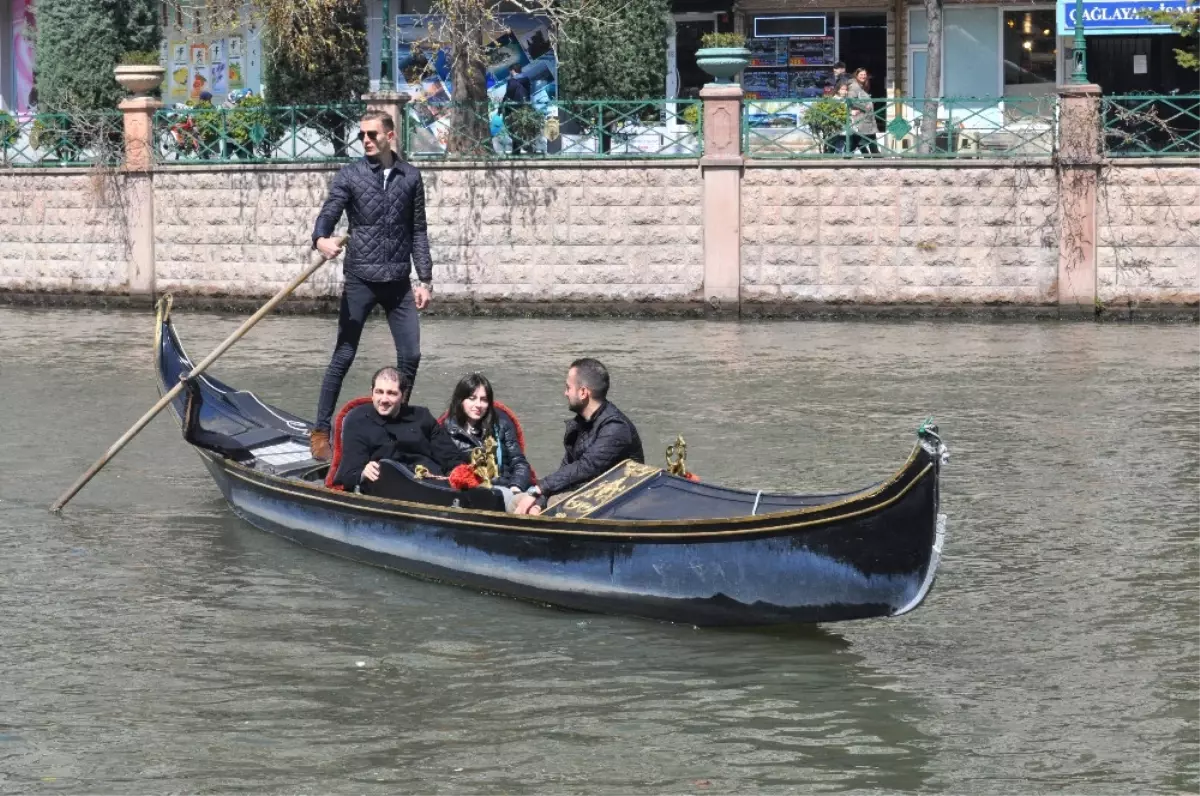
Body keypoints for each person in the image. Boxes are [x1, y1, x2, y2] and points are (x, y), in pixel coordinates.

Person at [309, 110, 434, 461]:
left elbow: (418, 230)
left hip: (397, 282)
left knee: (410, 356)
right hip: (361, 278)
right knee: (343, 355)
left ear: (389, 136)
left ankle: (395, 425)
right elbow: (329, 213)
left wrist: (424, 278)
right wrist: (320, 239)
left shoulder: (411, 177)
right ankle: (320, 430)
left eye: (372, 134)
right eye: (361, 134)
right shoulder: (350, 175)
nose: (365, 140)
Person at [513, 358, 644, 515]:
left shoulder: (615, 428)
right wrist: (539, 502)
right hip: (586, 495)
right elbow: (566, 470)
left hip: (617, 504)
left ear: (583, 392)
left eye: (568, 387)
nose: (565, 393)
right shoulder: (580, 423)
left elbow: (585, 467)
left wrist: (538, 489)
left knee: (551, 505)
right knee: (519, 502)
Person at [331, 367, 466, 491]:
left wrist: (460, 474)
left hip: (432, 484)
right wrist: (363, 473)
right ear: (372, 392)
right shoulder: (358, 420)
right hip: (386, 489)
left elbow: (450, 456)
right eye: (379, 392)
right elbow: (348, 474)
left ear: (403, 395)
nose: (384, 399)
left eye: (391, 393)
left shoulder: (422, 417)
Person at [442, 373, 532, 492]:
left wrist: (516, 486)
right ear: (460, 400)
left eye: (484, 400)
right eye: (472, 398)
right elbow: (447, 469)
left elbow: (519, 462)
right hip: (470, 491)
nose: (478, 405)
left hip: (507, 487)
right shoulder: (446, 430)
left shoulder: (501, 424)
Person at [847, 68, 880, 155]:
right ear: (856, 75)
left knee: (868, 137)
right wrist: (864, 107)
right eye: (861, 75)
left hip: (866, 119)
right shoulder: (854, 86)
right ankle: (876, 156)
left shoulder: (861, 86)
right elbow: (851, 100)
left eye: (865, 75)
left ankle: (875, 155)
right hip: (861, 118)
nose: (863, 76)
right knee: (858, 139)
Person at [503, 63, 532, 155]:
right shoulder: (526, 80)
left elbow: (508, 95)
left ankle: (517, 149)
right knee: (523, 127)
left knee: (513, 128)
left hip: (513, 108)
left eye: (510, 71)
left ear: (512, 71)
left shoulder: (512, 81)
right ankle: (527, 146)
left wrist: (502, 106)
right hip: (525, 107)